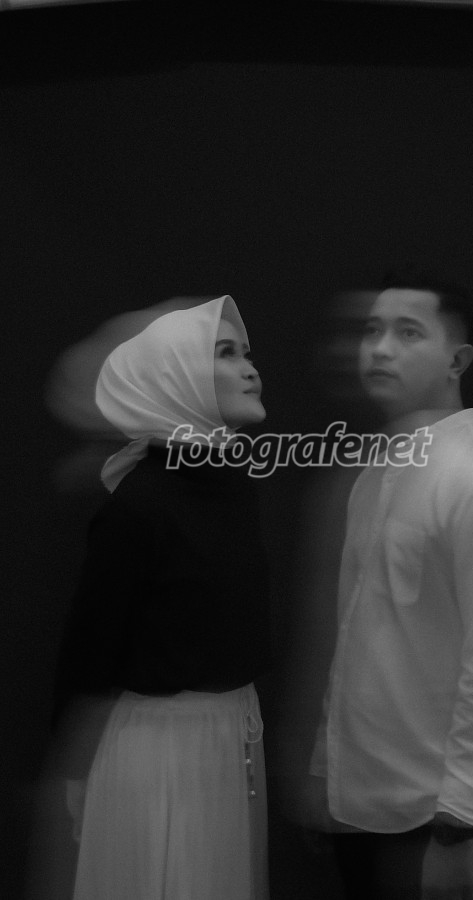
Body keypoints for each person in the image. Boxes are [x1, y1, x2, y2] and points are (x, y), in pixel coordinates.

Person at [307, 275, 473, 900]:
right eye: (372, 331)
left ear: (457, 361)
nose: (380, 349)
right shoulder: (378, 466)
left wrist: (458, 821)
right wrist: (328, 778)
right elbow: (360, 636)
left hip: (437, 815)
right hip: (362, 804)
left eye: (408, 332)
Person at [51, 295, 271, 900]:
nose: (250, 368)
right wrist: (74, 767)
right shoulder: (140, 505)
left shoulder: (232, 487)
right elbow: (91, 644)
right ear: (177, 376)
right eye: (225, 353)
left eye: (246, 353)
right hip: (158, 758)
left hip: (228, 742)